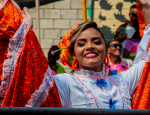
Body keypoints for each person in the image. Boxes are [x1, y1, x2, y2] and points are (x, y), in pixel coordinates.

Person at [1, 0, 150, 109]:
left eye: (96, 42)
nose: (90, 47)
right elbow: (30, 78)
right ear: (74, 54)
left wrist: (147, 6)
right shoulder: (65, 83)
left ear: (105, 49)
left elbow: (147, 61)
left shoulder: (120, 82)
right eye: (81, 43)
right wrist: (24, 34)